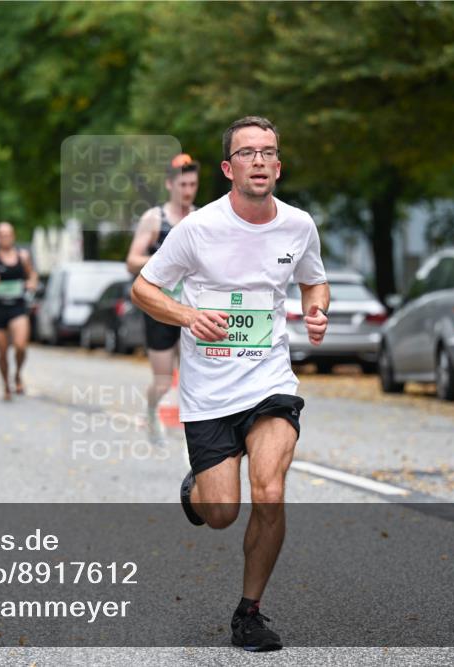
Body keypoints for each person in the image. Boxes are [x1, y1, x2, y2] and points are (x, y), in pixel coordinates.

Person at [130, 116, 329, 652]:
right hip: (210, 393)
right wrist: (188, 316)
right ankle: (196, 490)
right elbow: (143, 289)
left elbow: (314, 280)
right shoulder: (197, 229)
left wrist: (316, 311)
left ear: (278, 166)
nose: (259, 160)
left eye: (268, 152)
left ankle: (249, 613)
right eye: (247, 153)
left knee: (270, 490)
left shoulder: (298, 226)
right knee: (221, 513)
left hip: (270, 381)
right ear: (228, 168)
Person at [126, 153, 200, 444]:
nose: (188, 191)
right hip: (159, 308)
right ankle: (151, 410)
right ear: (170, 184)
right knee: (163, 379)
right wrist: (165, 260)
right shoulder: (155, 218)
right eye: (183, 185)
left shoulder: (202, 218)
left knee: (195, 376)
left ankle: (200, 432)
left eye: (193, 184)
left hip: (191, 308)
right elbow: (132, 261)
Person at [0, 222, 38, 401]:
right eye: (2, 235)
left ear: (13, 236)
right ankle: (6, 384)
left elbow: (32, 274)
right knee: (3, 352)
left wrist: (32, 283)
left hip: (18, 306)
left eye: (8, 234)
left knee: (20, 345)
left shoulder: (23, 256)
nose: (5, 238)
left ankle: (17, 374)